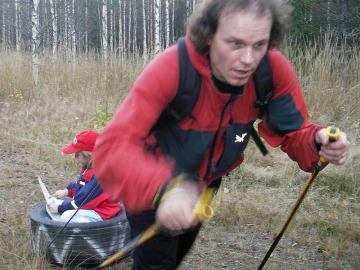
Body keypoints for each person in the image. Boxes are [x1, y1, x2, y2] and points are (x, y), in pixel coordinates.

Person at [93, 0, 350, 268]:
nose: (248, 59)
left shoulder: (271, 70)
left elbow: (295, 131)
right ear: (209, 36)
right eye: (235, 44)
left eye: (259, 45)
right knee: (156, 264)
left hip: (204, 186)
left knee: (177, 254)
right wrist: (165, 190)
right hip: (151, 183)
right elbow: (112, 147)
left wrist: (318, 141)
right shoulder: (172, 68)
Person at [48, 130, 121, 223]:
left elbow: (83, 200)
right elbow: (83, 187)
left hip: (102, 213)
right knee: (57, 205)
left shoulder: (101, 175)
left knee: (67, 216)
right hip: (92, 207)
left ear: (89, 155)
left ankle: (87, 234)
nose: (75, 157)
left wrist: (59, 209)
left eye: (78, 154)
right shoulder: (89, 168)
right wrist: (67, 191)